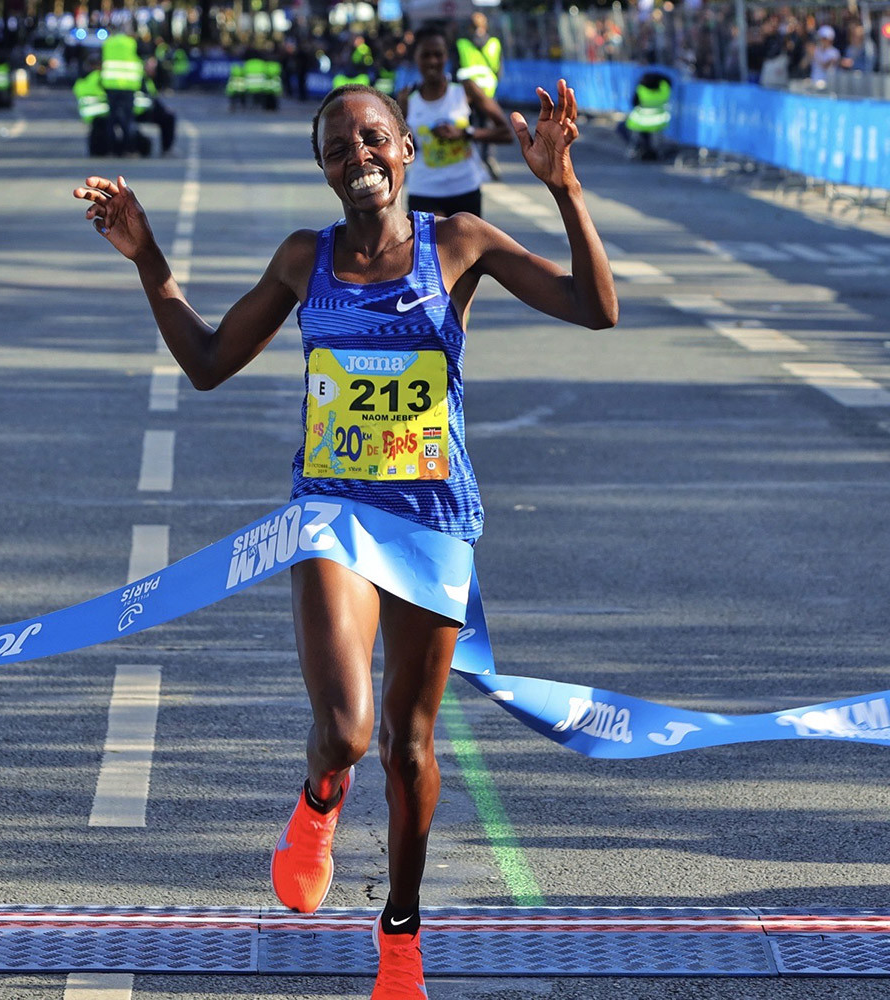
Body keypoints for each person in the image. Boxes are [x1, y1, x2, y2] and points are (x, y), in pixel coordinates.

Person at [73, 79, 617, 999]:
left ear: (406, 148)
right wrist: (148, 256)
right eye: (338, 147)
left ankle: (399, 935)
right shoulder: (305, 259)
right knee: (348, 731)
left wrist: (564, 187)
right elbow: (208, 362)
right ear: (324, 168)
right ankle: (322, 795)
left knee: (410, 747)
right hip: (332, 515)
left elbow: (596, 308)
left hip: (433, 521)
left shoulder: (459, 243)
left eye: (372, 139)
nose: (358, 156)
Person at [396, 25, 511, 219]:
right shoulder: (407, 97)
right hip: (424, 190)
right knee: (433, 240)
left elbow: (506, 133)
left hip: (465, 188)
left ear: (446, 56)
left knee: (464, 240)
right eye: (425, 55)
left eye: (438, 54)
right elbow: (397, 147)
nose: (432, 61)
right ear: (416, 58)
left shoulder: (464, 89)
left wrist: (465, 133)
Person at [455, 12, 503, 178]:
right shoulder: (494, 43)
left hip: (467, 95)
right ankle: (488, 158)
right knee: (487, 128)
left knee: (468, 129)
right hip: (488, 94)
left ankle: (471, 161)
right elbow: (498, 70)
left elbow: (455, 69)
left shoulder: (461, 44)